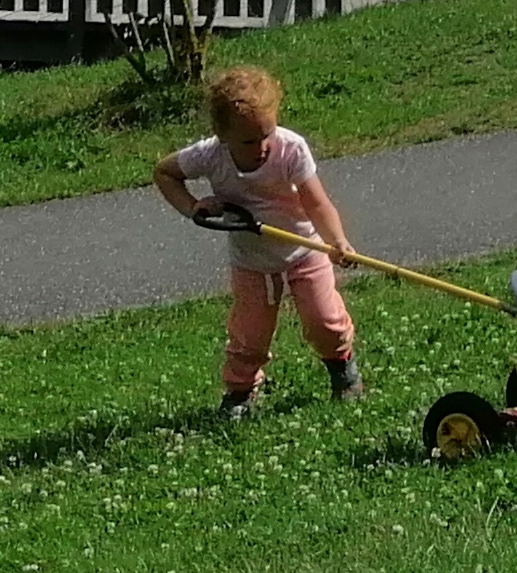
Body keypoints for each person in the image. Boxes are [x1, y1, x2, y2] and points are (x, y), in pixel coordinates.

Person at [156, 60, 365, 416]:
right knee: (248, 337)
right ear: (224, 136)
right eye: (250, 140)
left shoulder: (290, 149)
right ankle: (240, 392)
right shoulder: (210, 154)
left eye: (267, 133)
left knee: (324, 321)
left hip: (304, 251)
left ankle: (343, 369)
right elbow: (164, 172)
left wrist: (338, 241)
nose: (263, 145)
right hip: (252, 263)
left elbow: (317, 202)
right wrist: (193, 207)